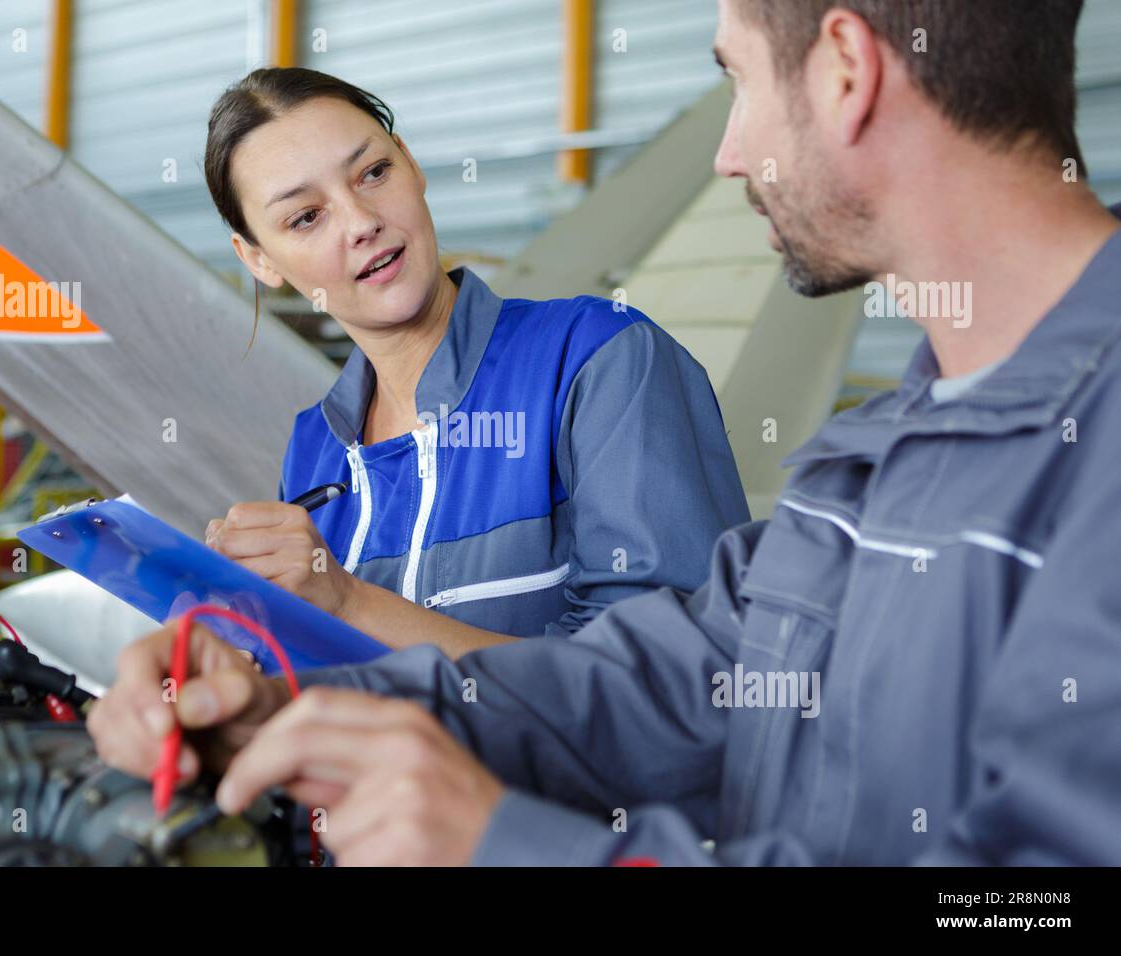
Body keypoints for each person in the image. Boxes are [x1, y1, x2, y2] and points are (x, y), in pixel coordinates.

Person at [90, 0, 1121, 865]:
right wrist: (287, 707)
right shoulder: (883, 454)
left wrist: (511, 844)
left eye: (739, 83)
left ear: (845, 69)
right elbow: (666, 678)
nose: (728, 154)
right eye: (301, 215)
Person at [200, 67, 749, 659]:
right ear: (258, 260)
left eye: (374, 173)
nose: (362, 223)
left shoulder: (599, 359)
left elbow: (666, 675)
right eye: (306, 217)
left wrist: (350, 602)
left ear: (411, 163)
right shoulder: (314, 445)